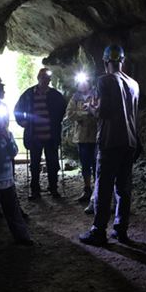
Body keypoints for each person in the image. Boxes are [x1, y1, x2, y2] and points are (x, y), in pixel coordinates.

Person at [79, 44, 140, 246]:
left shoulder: (105, 80)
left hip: (110, 140)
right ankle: (121, 230)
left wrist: (91, 108)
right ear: (122, 60)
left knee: (104, 187)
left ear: (106, 62)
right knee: (123, 187)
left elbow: (103, 112)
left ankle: (98, 231)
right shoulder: (134, 84)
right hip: (129, 141)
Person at [0, 91, 33, 257]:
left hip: (7, 179)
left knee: (13, 210)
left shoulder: (8, 135)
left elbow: (14, 152)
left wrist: (8, 140)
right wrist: (5, 148)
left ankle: (21, 236)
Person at [14, 68, 66, 200]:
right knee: (35, 164)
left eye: (47, 78)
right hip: (35, 135)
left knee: (53, 163)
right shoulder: (29, 94)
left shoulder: (55, 95)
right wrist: (22, 122)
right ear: (38, 78)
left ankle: (53, 188)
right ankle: (35, 190)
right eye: (43, 77)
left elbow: (64, 110)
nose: (45, 80)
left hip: (51, 135)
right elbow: (17, 109)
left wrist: (58, 123)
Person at [65, 73, 97, 204]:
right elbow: (70, 114)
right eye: (80, 83)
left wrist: (89, 112)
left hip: (96, 136)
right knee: (85, 165)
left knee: (96, 165)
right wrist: (86, 113)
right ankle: (87, 189)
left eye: (85, 82)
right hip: (82, 137)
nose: (83, 85)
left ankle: (97, 190)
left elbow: (100, 112)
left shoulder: (96, 95)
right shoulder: (75, 98)